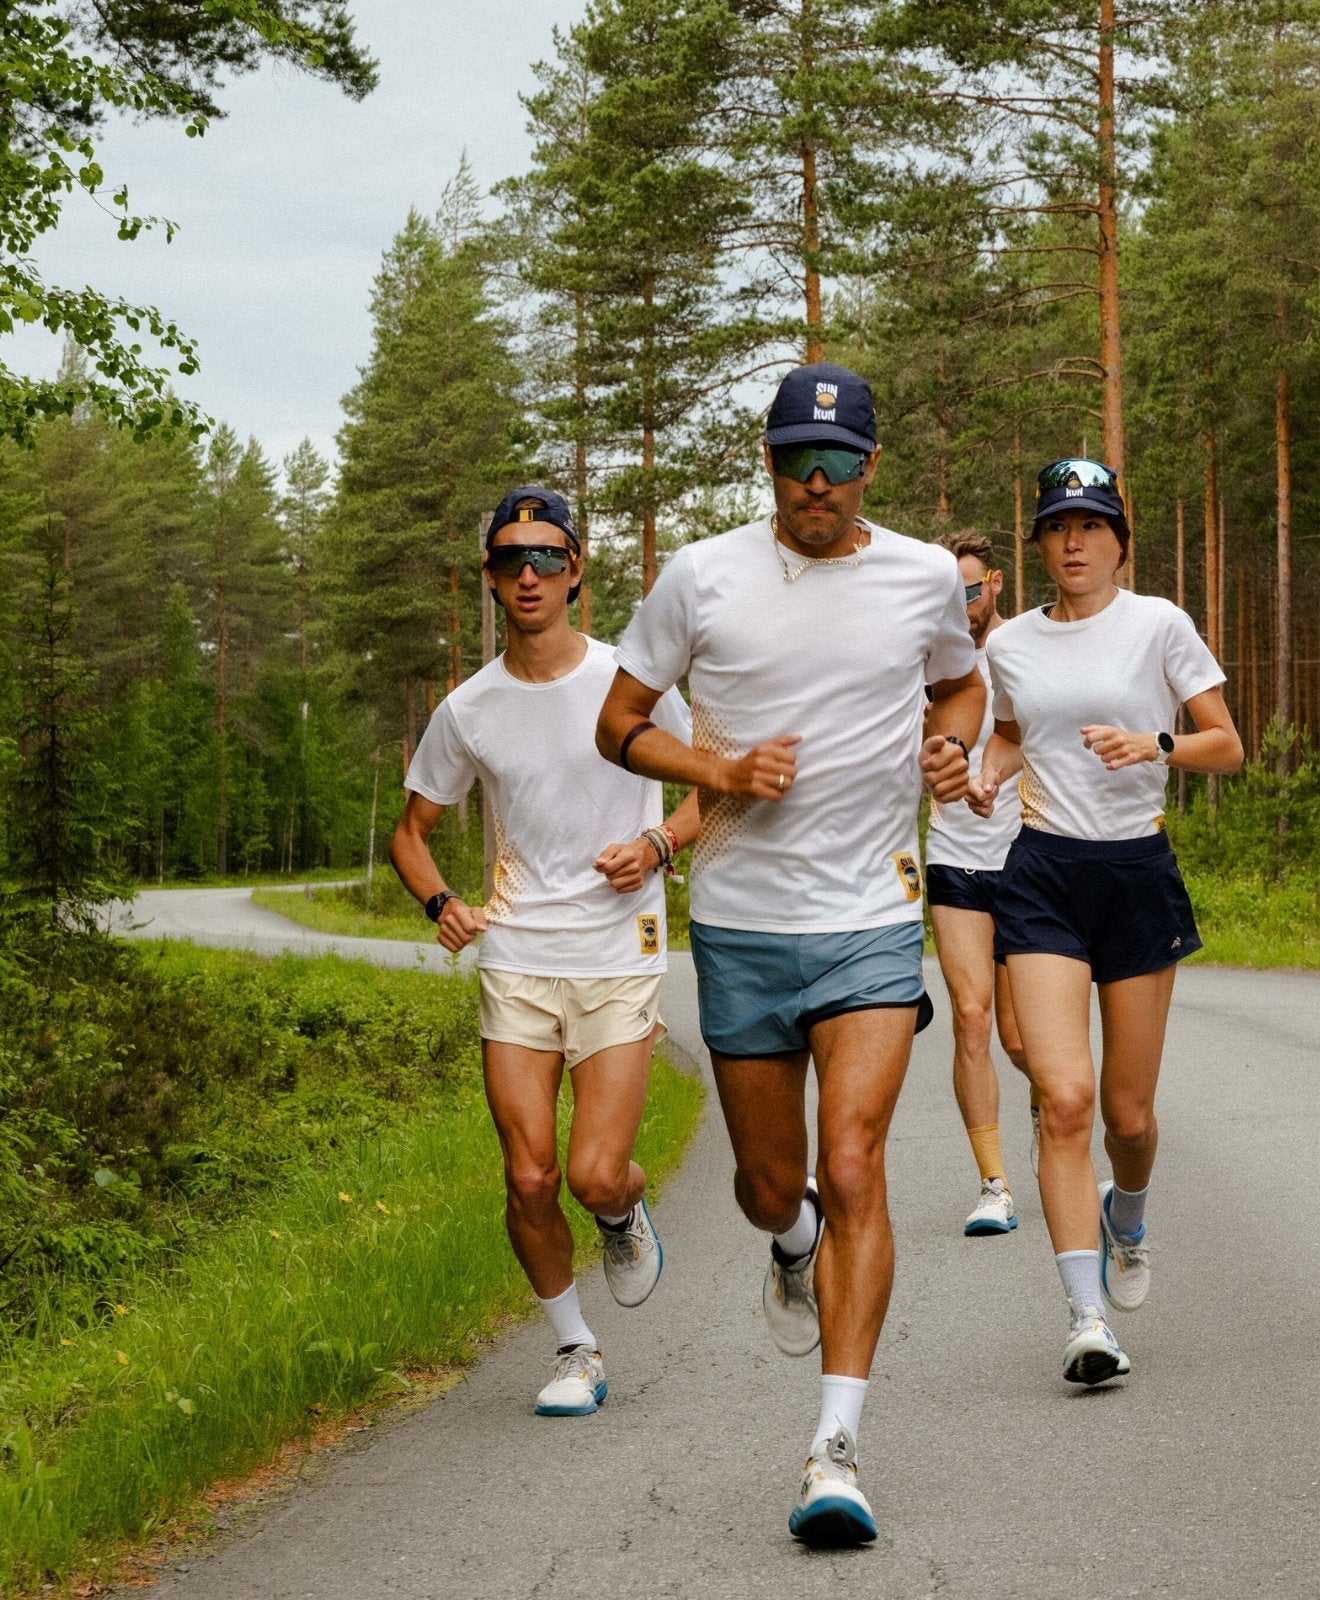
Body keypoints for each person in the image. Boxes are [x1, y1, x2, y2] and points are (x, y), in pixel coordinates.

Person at [595, 363, 984, 1545]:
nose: (816, 486)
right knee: (774, 1182)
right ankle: (791, 1240)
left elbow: (961, 691)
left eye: (838, 464)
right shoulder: (701, 576)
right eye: (794, 463)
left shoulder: (923, 576)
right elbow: (619, 722)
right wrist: (714, 771)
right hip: (742, 923)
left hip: (870, 914)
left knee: (857, 1160)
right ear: (766, 465)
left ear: (873, 466)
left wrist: (951, 754)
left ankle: (836, 1445)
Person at [390, 486, 699, 1420]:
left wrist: (655, 846)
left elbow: (710, 791)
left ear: (577, 573)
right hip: (516, 954)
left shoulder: (628, 684)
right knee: (527, 1174)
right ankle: (575, 1347)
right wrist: (441, 900)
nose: (530, 574)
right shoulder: (470, 708)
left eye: (549, 558)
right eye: (511, 561)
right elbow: (411, 833)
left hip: (619, 947)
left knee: (593, 1171)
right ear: (489, 579)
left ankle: (619, 1210)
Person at [967, 458, 1243, 1386]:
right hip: (1042, 871)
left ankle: (1130, 1209)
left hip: (1135, 871)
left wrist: (1155, 743)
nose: (1073, 540)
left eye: (1090, 523)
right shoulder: (1011, 646)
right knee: (1067, 1101)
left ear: (1121, 539)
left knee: (1127, 1115)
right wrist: (977, 776)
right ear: (1040, 544)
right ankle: (1085, 1316)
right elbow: (1011, 735)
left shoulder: (1159, 624)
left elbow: (1228, 746)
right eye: (1056, 526)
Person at [925, 532, 1032, 1234]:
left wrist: (995, 776)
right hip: (954, 856)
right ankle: (994, 1184)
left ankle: (1062, 1123)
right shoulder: (925, 660)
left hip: (1027, 856)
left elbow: (1036, 733)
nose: (960, 604)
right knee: (971, 1017)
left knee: (1025, 1043)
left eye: (970, 590)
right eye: (948, 594)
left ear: (993, 582)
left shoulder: (1025, 647)